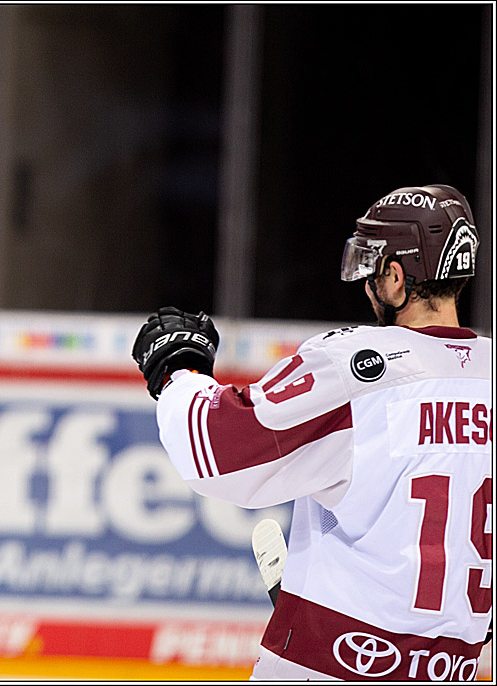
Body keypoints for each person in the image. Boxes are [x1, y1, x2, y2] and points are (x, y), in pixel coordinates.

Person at [132, 184, 491, 681]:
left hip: (333, 662)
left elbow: (217, 447)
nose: (365, 285)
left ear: (395, 277)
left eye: (371, 269)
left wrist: (177, 371)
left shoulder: (361, 367)